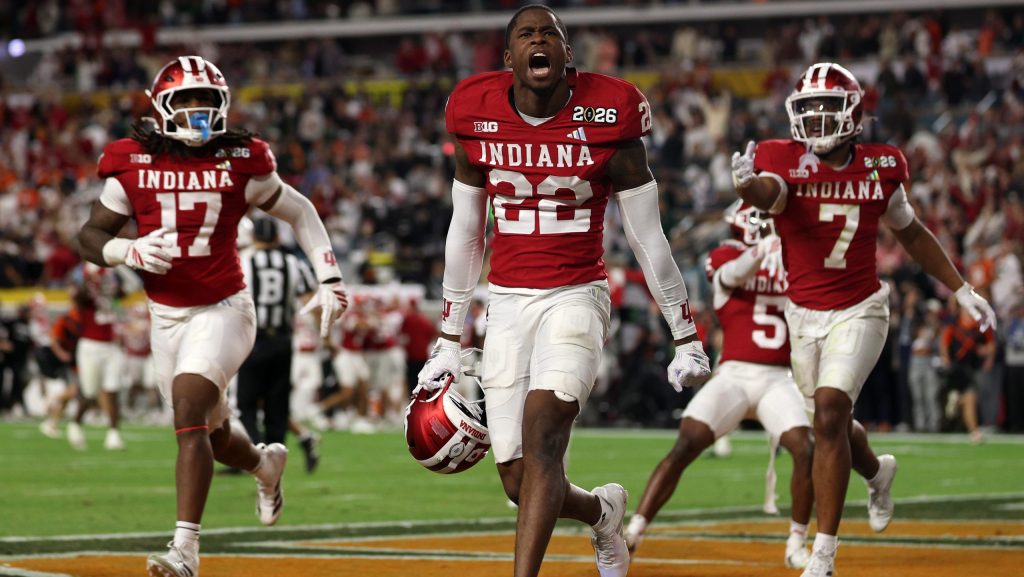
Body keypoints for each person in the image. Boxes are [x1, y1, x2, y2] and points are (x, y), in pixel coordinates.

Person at [418, 6, 711, 577]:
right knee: (516, 479)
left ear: (566, 52)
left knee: (544, 432)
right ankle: (602, 512)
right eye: (526, 34)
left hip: (577, 294)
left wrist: (686, 334)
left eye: (549, 32)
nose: (538, 40)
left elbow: (648, 237)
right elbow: (466, 230)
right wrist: (449, 336)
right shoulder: (474, 110)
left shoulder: (610, 110)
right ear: (509, 59)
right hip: (505, 302)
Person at [77, 55, 348, 577]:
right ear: (163, 108)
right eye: (188, 101)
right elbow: (89, 236)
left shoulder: (242, 160)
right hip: (165, 317)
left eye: (208, 101)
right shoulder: (129, 160)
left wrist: (330, 276)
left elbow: (300, 211)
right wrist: (124, 252)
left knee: (187, 410)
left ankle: (185, 551)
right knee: (213, 434)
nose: (199, 111)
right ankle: (265, 465)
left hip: (224, 308)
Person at [731, 61, 997, 577]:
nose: (818, 119)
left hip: (861, 308)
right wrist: (746, 188)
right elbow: (771, 193)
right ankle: (877, 473)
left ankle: (824, 557)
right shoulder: (780, 160)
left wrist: (961, 289)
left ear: (853, 113)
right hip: (802, 313)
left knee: (830, 411)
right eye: (809, 109)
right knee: (830, 423)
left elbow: (912, 233)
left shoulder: (882, 166)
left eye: (828, 108)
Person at [624, 201, 815, 569]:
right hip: (735, 375)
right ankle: (635, 530)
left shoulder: (790, 258)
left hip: (779, 377)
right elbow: (730, 276)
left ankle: (796, 542)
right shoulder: (727, 253)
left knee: (804, 448)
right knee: (685, 444)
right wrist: (766, 249)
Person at [236, 217, 319, 464]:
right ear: (277, 238)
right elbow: (310, 302)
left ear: (253, 238)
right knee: (277, 406)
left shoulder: (243, 262)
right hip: (283, 341)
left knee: (246, 405)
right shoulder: (293, 263)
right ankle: (275, 457)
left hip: (252, 340)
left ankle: (257, 456)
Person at [939, 301, 996, 443]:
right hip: (956, 368)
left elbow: (991, 345)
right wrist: (946, 359)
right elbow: (944, 343)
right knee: (970, 396)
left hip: (972, 367)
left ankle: (958, 403)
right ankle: (973, 430)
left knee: (970, 397)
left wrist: (985, 353)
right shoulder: (954, 325)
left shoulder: (980, 328)